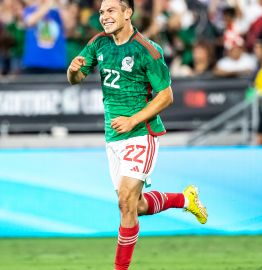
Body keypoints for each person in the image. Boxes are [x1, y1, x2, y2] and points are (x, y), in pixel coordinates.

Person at [66, 1, 208, 269]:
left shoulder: (148, 51)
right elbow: (76, 79)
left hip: (141, 133)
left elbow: (166, 96)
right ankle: (184, 199)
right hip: (113, 138)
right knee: (134, 206)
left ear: (127, 13)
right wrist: (73, 71)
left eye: (111, 11)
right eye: (101, 12)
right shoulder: (99, 44)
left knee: (125, 202)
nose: (104, 17)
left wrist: (133, 120)